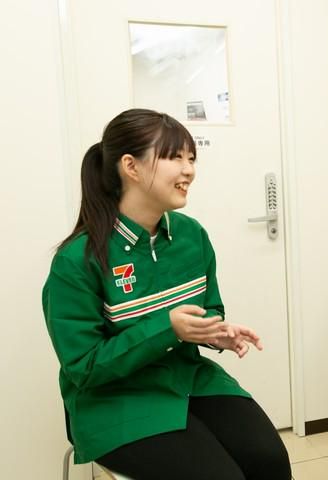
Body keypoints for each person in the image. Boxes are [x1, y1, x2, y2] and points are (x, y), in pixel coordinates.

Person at [43, 109, 291, 480]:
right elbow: (84, 366)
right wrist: (168, 329)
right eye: (174, 157)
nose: (188, 170)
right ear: (131, 166)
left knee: (270, 461)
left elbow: (210, 308)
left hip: (190, 380)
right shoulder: (77, 261)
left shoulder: (192, 235)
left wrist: (214, 332)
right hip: (116, 401)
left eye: (191, 159)